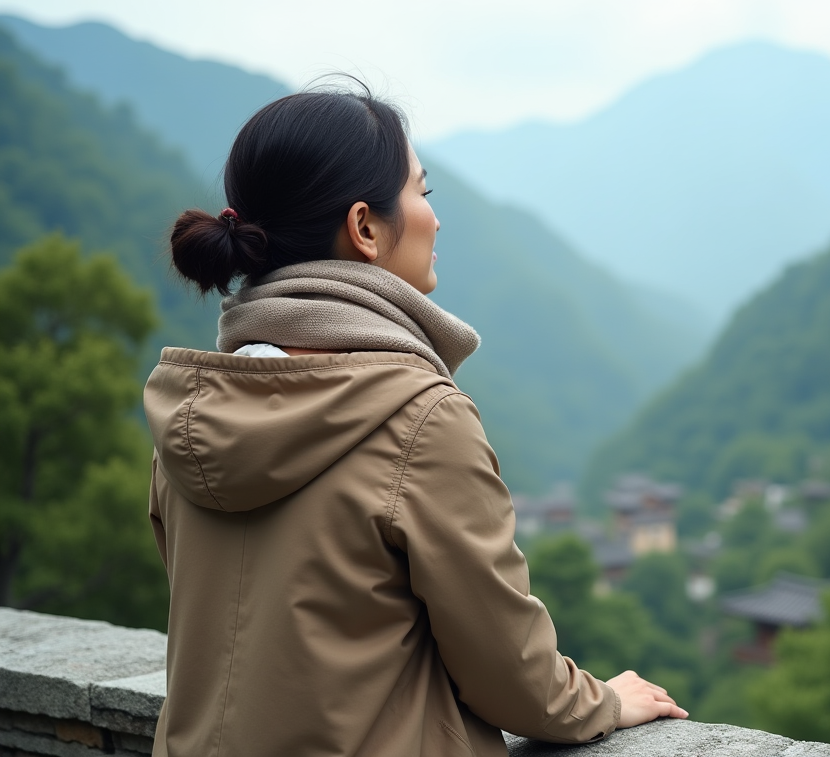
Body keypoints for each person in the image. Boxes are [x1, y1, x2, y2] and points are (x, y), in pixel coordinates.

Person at [144, 87, 687, 757]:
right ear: (366, 228)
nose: (435, 219)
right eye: (423, 193)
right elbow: (514, 676)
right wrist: (604, 700)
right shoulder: (420, 419)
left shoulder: (195, 409)